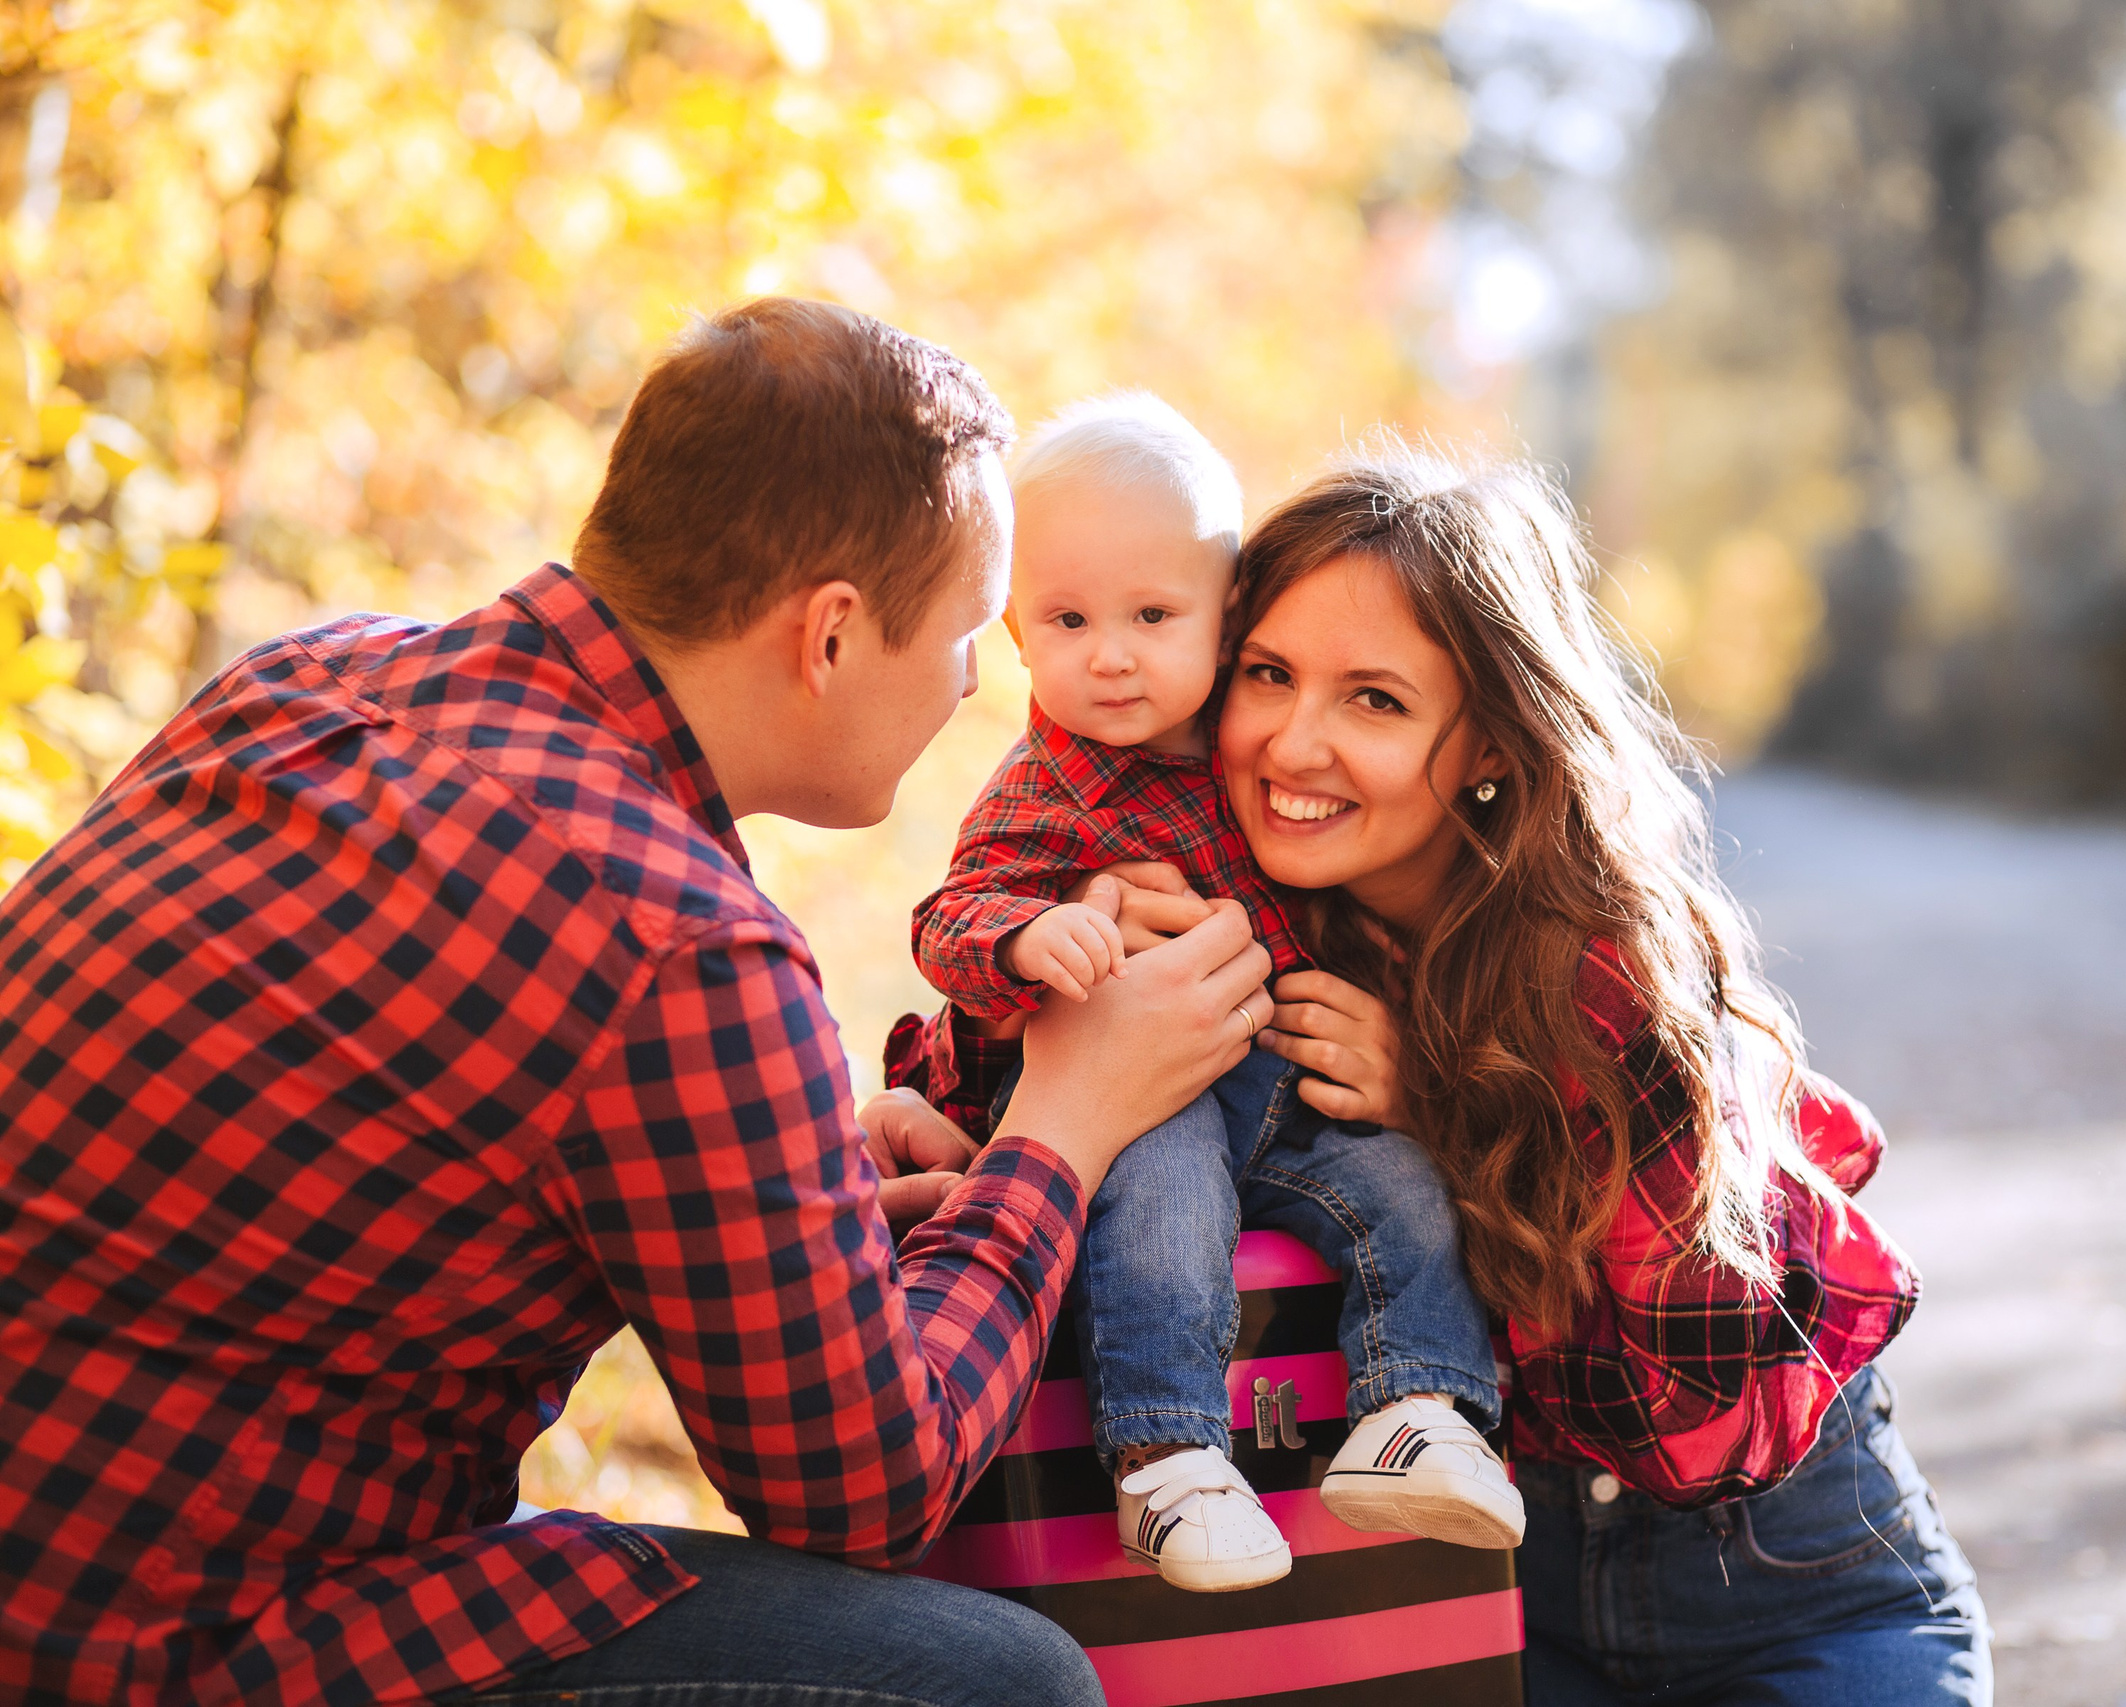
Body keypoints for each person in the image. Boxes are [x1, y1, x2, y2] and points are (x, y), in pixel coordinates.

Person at [0, 299, 1276, 1707]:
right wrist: (1062, 1127)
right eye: (972, 629)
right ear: (832, 635)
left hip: (78, 1543)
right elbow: (869, 1486)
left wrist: (805, 1181)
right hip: (171, 1640)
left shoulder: (302, 686)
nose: (980, 677)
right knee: (997, 1683)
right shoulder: (681, 944)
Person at [1017, 447, 1994, 1703]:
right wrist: (959, 1101)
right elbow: (1055, 1043)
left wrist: (1436, 1105)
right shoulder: (1238, 901)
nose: (1292, 743)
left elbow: (1683, 1423)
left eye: (1374, 701)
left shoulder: (1604, 968)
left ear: (1484, 742)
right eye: (1267, 674)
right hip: (1487, 1603)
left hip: (1788, 1596)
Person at [907, 395, 1519, 1594]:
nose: (1114, 653)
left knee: (1400, 1184)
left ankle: (1419, 1413)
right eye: (1069, 620)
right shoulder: (1046, 790)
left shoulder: (1247, 763)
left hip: (1283, 1100)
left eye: (1152, 615)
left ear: (1223, 619)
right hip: (1149, 1101)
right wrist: (1042, 934)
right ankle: (1168, 1453)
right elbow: (949, 919)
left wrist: (1408, 1060)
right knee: (1169, 1202)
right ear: (1019, 639)